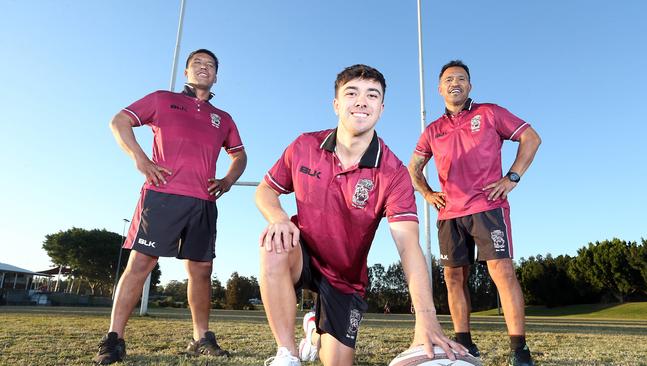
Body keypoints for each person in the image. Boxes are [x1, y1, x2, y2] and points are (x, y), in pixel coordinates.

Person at [256, 64, 465, 366]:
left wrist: (426, 318)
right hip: (303, 252)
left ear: (381, 107)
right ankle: (287, 354)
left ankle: (315, 333)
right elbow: (264, 190)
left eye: (372, 95)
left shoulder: (393, 172)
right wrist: (277, 217)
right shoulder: (304, 145)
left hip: (345, 277)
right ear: (336, 104)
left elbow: (408, 246)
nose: (362, 101)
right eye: (351, 93)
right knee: (273, 242)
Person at [93, 49, 247, 365]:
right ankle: (114, 339)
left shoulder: (224, 118)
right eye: (197, 64)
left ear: (216, 75)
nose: (204, 68)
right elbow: (119, 121)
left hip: (203, 202)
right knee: (140, 264)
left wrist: (228, 180)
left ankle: (201, 337)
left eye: (211, 65)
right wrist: (140, 158)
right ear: (186, 72)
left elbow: (239, 155)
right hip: (163, 195)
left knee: (202, 271)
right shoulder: (162, 99)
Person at [408, 60, 541, 366]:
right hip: (449, 214)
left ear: (469, 86)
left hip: (488, 207)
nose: (455, 83)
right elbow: (413, 168)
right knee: (454, 277)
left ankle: (519, 350)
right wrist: (428, 193)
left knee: (503, 273)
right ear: (440, 88)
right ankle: (465, 344)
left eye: (461, 78)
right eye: (449, 79)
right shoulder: (432, 130)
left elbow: (531, 138)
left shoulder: (490, 113)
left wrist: (512, 178)